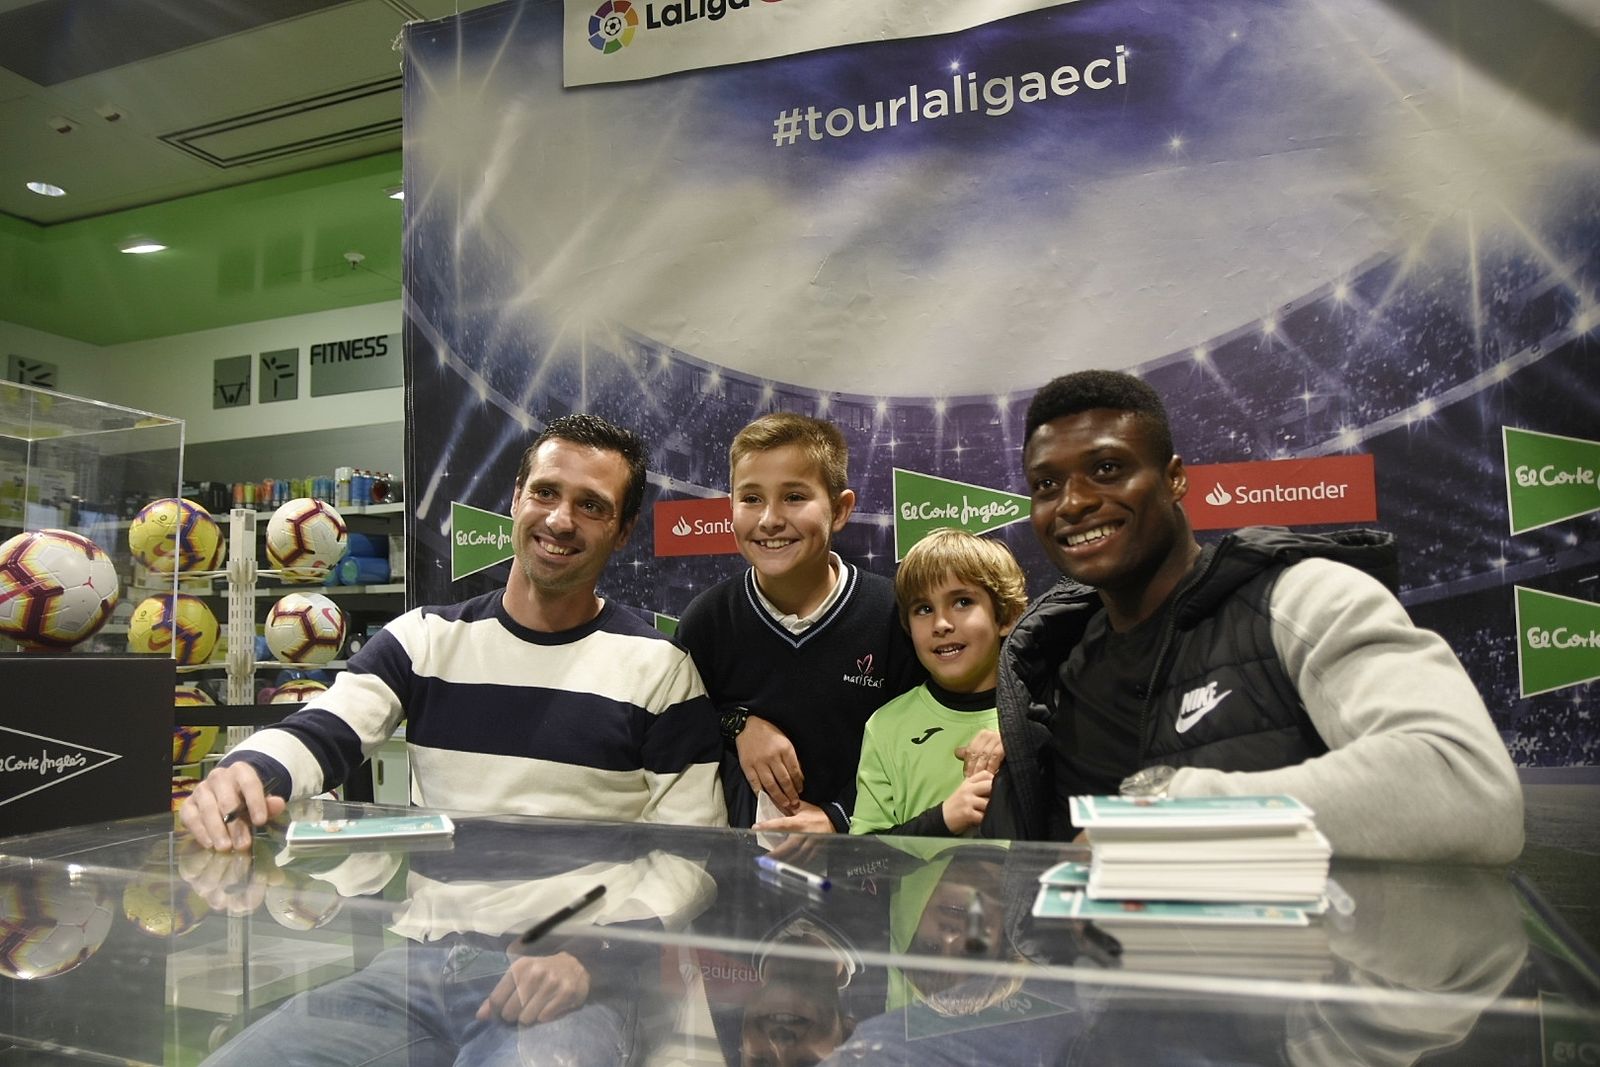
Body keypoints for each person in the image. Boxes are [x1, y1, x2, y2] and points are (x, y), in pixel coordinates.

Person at [983, 370, 1524, 862]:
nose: (1073, 502)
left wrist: (1157, 819)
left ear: (1174, 479)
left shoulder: (1305, 599)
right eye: (1046, 485)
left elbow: (1469, 788)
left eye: (1106, 469)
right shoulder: (1055, 664)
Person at [182, 412, 723, 850]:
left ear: (624, 531)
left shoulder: (661, 671)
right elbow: (322, 731)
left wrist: (604, 941)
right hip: (441, 943)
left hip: (583, 944)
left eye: (591, 506)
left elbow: (695, 855)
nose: (560, 520)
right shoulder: (423, 642)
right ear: (516, 499)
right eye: (545, 492)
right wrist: (246, 772)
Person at [678, 412, 923, 833]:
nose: (770, 519)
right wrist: (738, 724)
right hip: (744, 860)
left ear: (840, 510)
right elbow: (683, 735)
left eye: (793, 497)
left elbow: (924, 741)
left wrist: (838, 817)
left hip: (871, 855)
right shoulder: (706, 622)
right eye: (751, 498)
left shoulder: (894, 615)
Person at [851, 529, 1028, 837]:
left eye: (962, 602)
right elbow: (865, 858)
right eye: (924, 609)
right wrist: (942, 820)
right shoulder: (886, 726)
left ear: (1007, 616)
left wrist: (1024, 743)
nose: (941, 624)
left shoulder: (1041, 715)